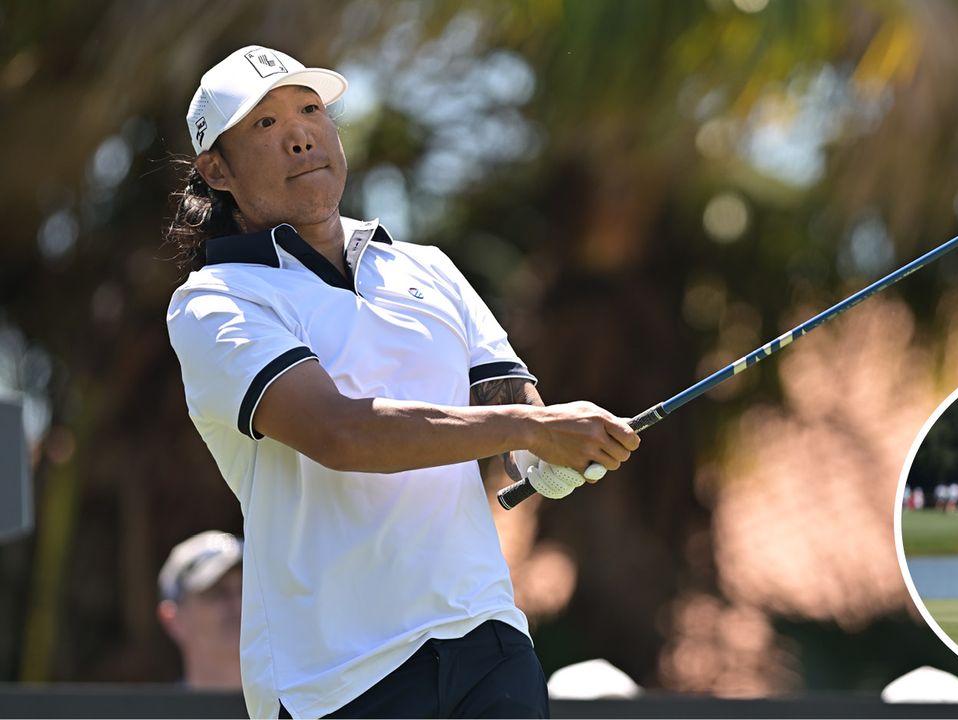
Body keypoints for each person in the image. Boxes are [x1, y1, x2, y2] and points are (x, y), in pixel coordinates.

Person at [164, 46, 640, 718]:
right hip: (337, 678)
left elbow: (511, 420)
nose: (301, 133)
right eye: (264, 126)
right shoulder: (216, 301)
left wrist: (552, 458)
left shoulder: (430, 268)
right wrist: (532, 429)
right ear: (217, 169)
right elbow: (342, 433)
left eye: (310, 110)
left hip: (485, 639)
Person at [157, 530, 244, 690]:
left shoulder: (297, 713)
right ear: (173, 619)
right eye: (217, 592)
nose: (238, 604)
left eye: (248, 591)